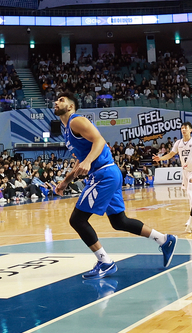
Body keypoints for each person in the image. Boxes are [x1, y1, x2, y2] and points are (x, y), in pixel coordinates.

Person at [52, 92, 176, 278]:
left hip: (104, 174)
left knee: (77, 220)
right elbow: (81, 159)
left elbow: (100, 140)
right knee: (120, 221)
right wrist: (65, 181)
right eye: (56, 99)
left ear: (70, 106)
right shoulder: (67, 131)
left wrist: (88, 162)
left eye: (61, 100)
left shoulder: (75, 120)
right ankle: (164, 240)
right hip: (108, 173)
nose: (56, 102)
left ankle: (105, 262)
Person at [152, 123, 192, 225]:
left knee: (190, 193)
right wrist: (160, 158)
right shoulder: (178, 143)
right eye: (182, 128)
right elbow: (171, 154)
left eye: (185, 128)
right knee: (190, 195)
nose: (183, 130)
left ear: (190, 130)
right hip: (185, 171)